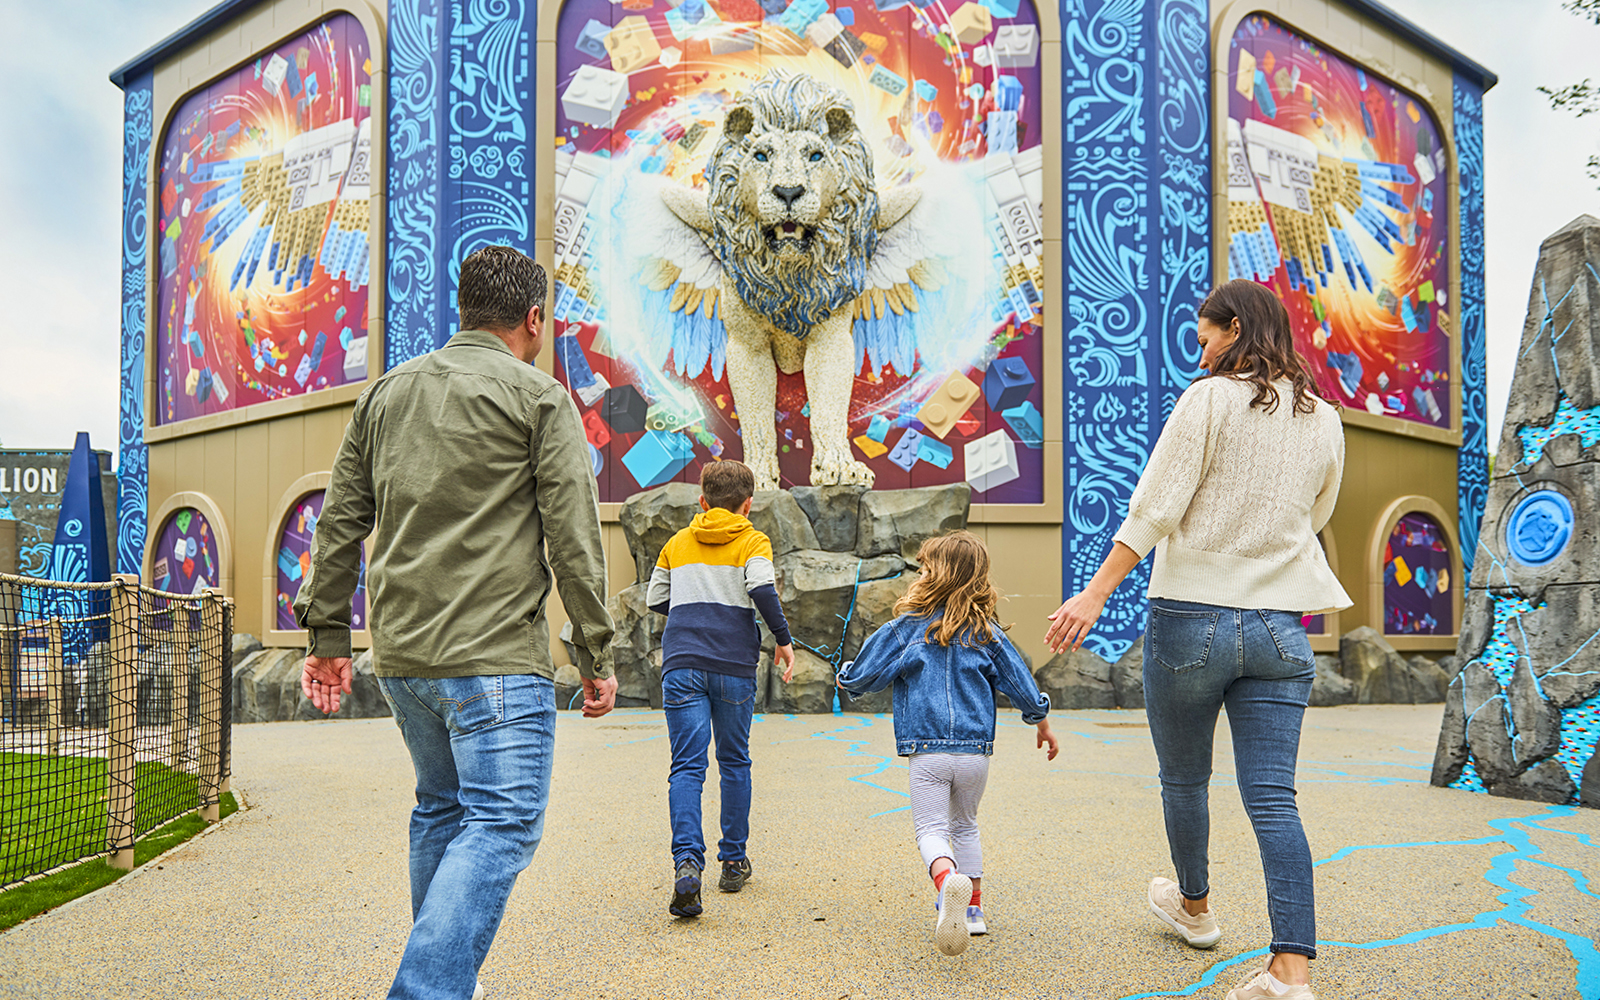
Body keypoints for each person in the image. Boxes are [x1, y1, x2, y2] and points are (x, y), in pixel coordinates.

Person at [295, 245, 618, 1000]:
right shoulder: (540, 399)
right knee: (502, 825)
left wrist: (329, 641)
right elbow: (574, 539)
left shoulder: (384, 395)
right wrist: (596, 653)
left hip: (404, 661)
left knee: (441, 810)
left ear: (465, 310)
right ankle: (429, 990)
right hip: (495, 660)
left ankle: (449, 984)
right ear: (534, 319)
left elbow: (339, 522)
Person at [1045, 279, 1350, 1000]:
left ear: (1235, 327)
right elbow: (1318, 511)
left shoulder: (1206, 399)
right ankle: (1292, 970)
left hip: (1190, 621)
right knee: (1274, 799)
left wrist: (1094, 593)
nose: (1202, 348)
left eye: (1206, 334)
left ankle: (1196, 908)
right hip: (1280, 629)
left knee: (1185, 780)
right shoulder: (1324, 417)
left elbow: (1156, 506)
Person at [837, 530, 1058, 958]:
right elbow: (1022, 684)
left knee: (931, 830)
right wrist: (1041, 721)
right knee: (966, 825)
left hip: (928, 752)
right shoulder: (988, 634)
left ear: (932, 575)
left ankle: (945, 881)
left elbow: (863, 677)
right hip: (975, 754)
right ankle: (973, 911)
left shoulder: (906, 629)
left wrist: (846, 674)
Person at [646, 460, 795, 918]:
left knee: (687, 767)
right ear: (748, 505)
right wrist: (783, 641)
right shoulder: (753, 539)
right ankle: (733, 861)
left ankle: (688, 863)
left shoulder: (677, 542)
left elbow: (656, 599)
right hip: (733, 665)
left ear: (702, 500)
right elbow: (762, 589)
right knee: (734, 760)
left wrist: (695, 611)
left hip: (683, 663)